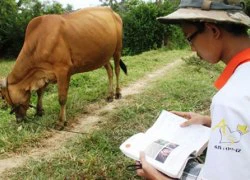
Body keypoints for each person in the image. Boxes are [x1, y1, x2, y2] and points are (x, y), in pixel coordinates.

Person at [136, 0, 250, 179]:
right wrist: (208, 121)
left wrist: (156, 177)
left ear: (213, 30)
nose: (192, 49)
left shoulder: (230, 101)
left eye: (190, 38)